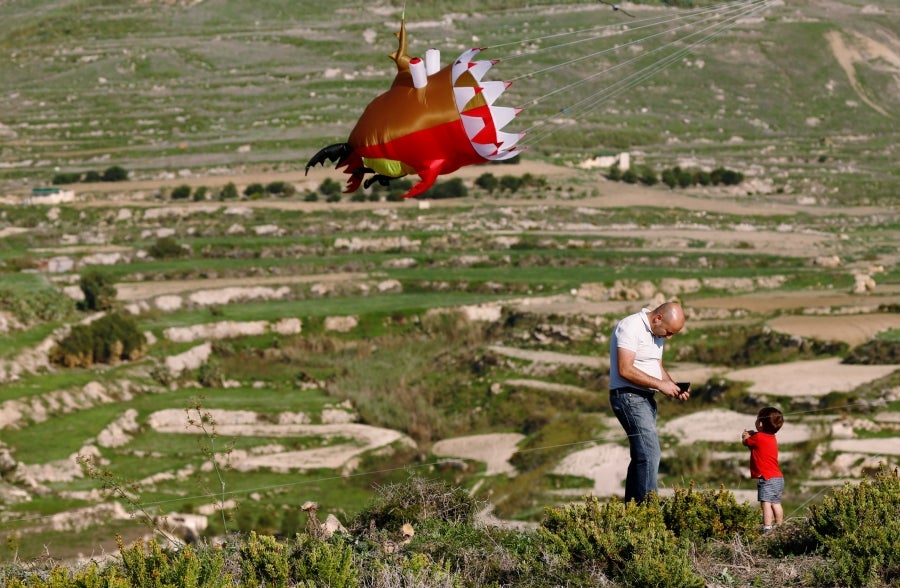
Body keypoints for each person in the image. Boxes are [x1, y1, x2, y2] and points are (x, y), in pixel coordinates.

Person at [609, 301, 689, 503]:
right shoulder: (630, 326)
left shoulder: (657, 333)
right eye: (669, 332)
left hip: (646, 398)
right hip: (629, 396)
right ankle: (648, 511)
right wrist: (661, 386)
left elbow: (656, 366)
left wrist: (672, 385)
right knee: (650, 454)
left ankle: (633, 511)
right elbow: (625, 369)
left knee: (641, 457)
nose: (669, 337)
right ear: (658, 318)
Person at [742, 406, 785, 533]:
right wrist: (754, 434)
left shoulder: (758, 438)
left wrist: (745, 435)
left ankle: (767, 527)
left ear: (760, 423)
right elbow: (759, 439)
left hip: (766, 478)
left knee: (765, 503)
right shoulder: (771, 437)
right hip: (778, 477)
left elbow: (746, 442)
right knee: (776, 503)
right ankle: (780, 525)